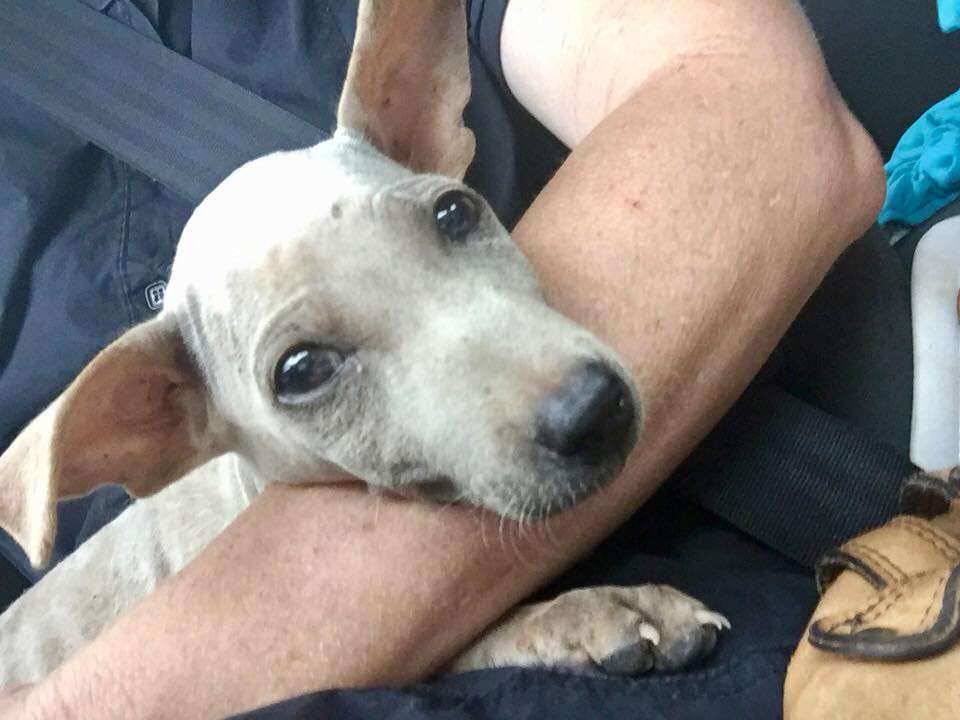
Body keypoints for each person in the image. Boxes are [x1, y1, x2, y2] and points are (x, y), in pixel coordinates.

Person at [0, 0, 926, 717]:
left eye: (451, 216)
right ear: (157, 423)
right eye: (306, 368)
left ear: (425, 140)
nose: (568, 394)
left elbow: (759, 109)